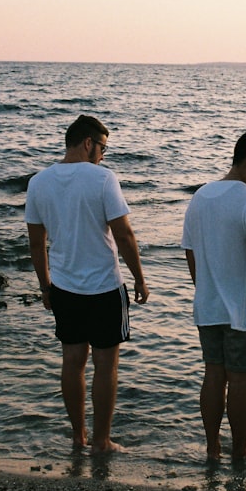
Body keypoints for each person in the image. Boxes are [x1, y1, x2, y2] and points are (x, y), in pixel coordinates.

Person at [25, 114, 149, 454]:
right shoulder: (103, 179)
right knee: (106, 365)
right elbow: (123, 235)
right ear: (88, 143)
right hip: (105, 287)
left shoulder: (39, 182)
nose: (104, 155)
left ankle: (78, 437)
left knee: (72, 361)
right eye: (103, 147)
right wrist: (139, 277)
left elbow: (37, 243)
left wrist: (45, 286)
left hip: (64, 287)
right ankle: (101, 441)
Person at [181, 129, 246, 462]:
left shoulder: (200, 196)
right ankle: (239, 450)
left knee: (213, 374)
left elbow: (191, 252)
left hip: (207, 306)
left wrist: (204, 289)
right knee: (240, 381)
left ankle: (212, 449)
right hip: (244, 310)